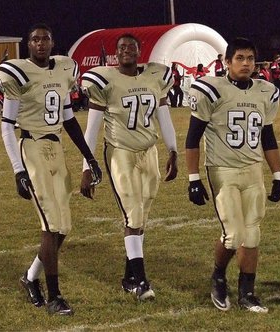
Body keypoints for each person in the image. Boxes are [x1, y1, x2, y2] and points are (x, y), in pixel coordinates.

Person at [0, 23, 102, 316]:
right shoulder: (18, 73)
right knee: (50, 224)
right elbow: (6, 128)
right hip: (31, 147)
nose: (40, 43)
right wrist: (18, 170)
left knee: (63, 227)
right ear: (28, 44)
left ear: (53, 42)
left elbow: (68, 119)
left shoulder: (63, 70)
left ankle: (30, 277)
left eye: (45, 39)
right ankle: (55, 296)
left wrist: (89, 159)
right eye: (35, 39)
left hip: (56, 149)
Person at [185, 37, 280, 313]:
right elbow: (193, 139)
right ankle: (218, 275)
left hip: (252, 171)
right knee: (233, 233)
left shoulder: (266, 91)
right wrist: (193, 178)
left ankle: (247, 292)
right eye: (239, 58)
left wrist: (278, 175)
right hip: (223, 170)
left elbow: (268, 137)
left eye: (250, 58)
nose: (246, 63)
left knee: (252, 236)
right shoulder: (211, 89)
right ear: (227, 61)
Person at [80, 33, 178, 301]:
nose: (126, 51)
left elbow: (163, 116)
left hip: (149, 151)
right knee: (133, 216)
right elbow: (91, 129)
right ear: (115, 52)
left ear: (139, 50)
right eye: (121, 47)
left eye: (131, 47)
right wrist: (86, 167)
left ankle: (128, 278)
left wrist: (173, 149)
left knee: (141, 216)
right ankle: (142, 282)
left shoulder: (155, 76)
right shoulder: (105, 80)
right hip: (120, 152)